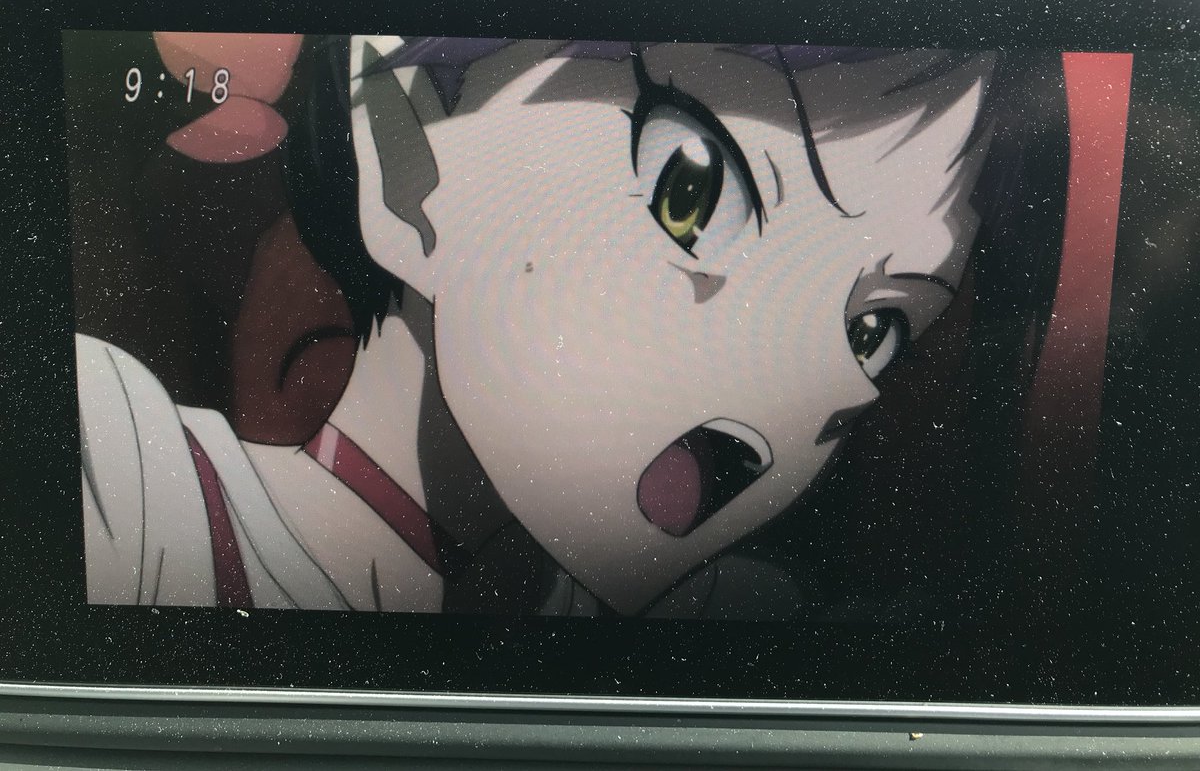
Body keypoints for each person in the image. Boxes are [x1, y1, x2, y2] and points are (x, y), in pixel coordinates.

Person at [76, 35, 1069, 617]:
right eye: (691, 191)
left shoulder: (717, 629)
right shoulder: (124, 484)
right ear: (405, 141)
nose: (813, 391)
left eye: (874, 332)